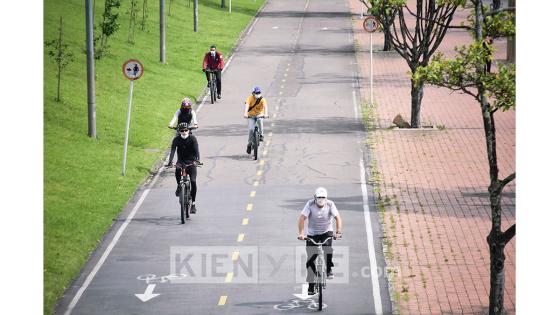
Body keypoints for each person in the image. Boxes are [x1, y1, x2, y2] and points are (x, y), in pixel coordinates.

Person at [297, 187, 343, 295]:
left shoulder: (330, 204)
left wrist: (338, 232)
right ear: (315, 197)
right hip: (312, 234)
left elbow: (338, 218)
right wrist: (301, 233)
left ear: (326, 198)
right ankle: (311, 286)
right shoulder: (310, 204)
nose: (321, 200)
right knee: (310, 260)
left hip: (326, 232)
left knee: (328, 248)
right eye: (319, 198)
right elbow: (302, 218)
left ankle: (329, 269)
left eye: (323, 198)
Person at [166, 122, 200, 214]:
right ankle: (179, 186)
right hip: (181, 162)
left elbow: (197, 150)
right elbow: (172, 151)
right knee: (177, 170)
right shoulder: (176, 140)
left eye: (186, 130)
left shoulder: (193, 139)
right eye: (182, 131)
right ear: (179, 131)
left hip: (191, 162)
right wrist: (170, 162)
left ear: (188, 130)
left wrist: (197, 160)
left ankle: (193, 204)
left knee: (193, 181)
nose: (184, 132)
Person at [243, 86, 269, 154]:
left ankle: (261, 135)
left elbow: (265, 106)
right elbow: (247, 105)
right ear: (253, 93)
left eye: (259, 92)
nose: (258, 94)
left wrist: (266, 114)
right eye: (256, 93)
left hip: (259, 114)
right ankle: (249, 143)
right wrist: (245, 113)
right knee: (251, 129)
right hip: (251, 115)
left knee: (260, 121)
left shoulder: (262, 99)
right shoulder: (250, 98)